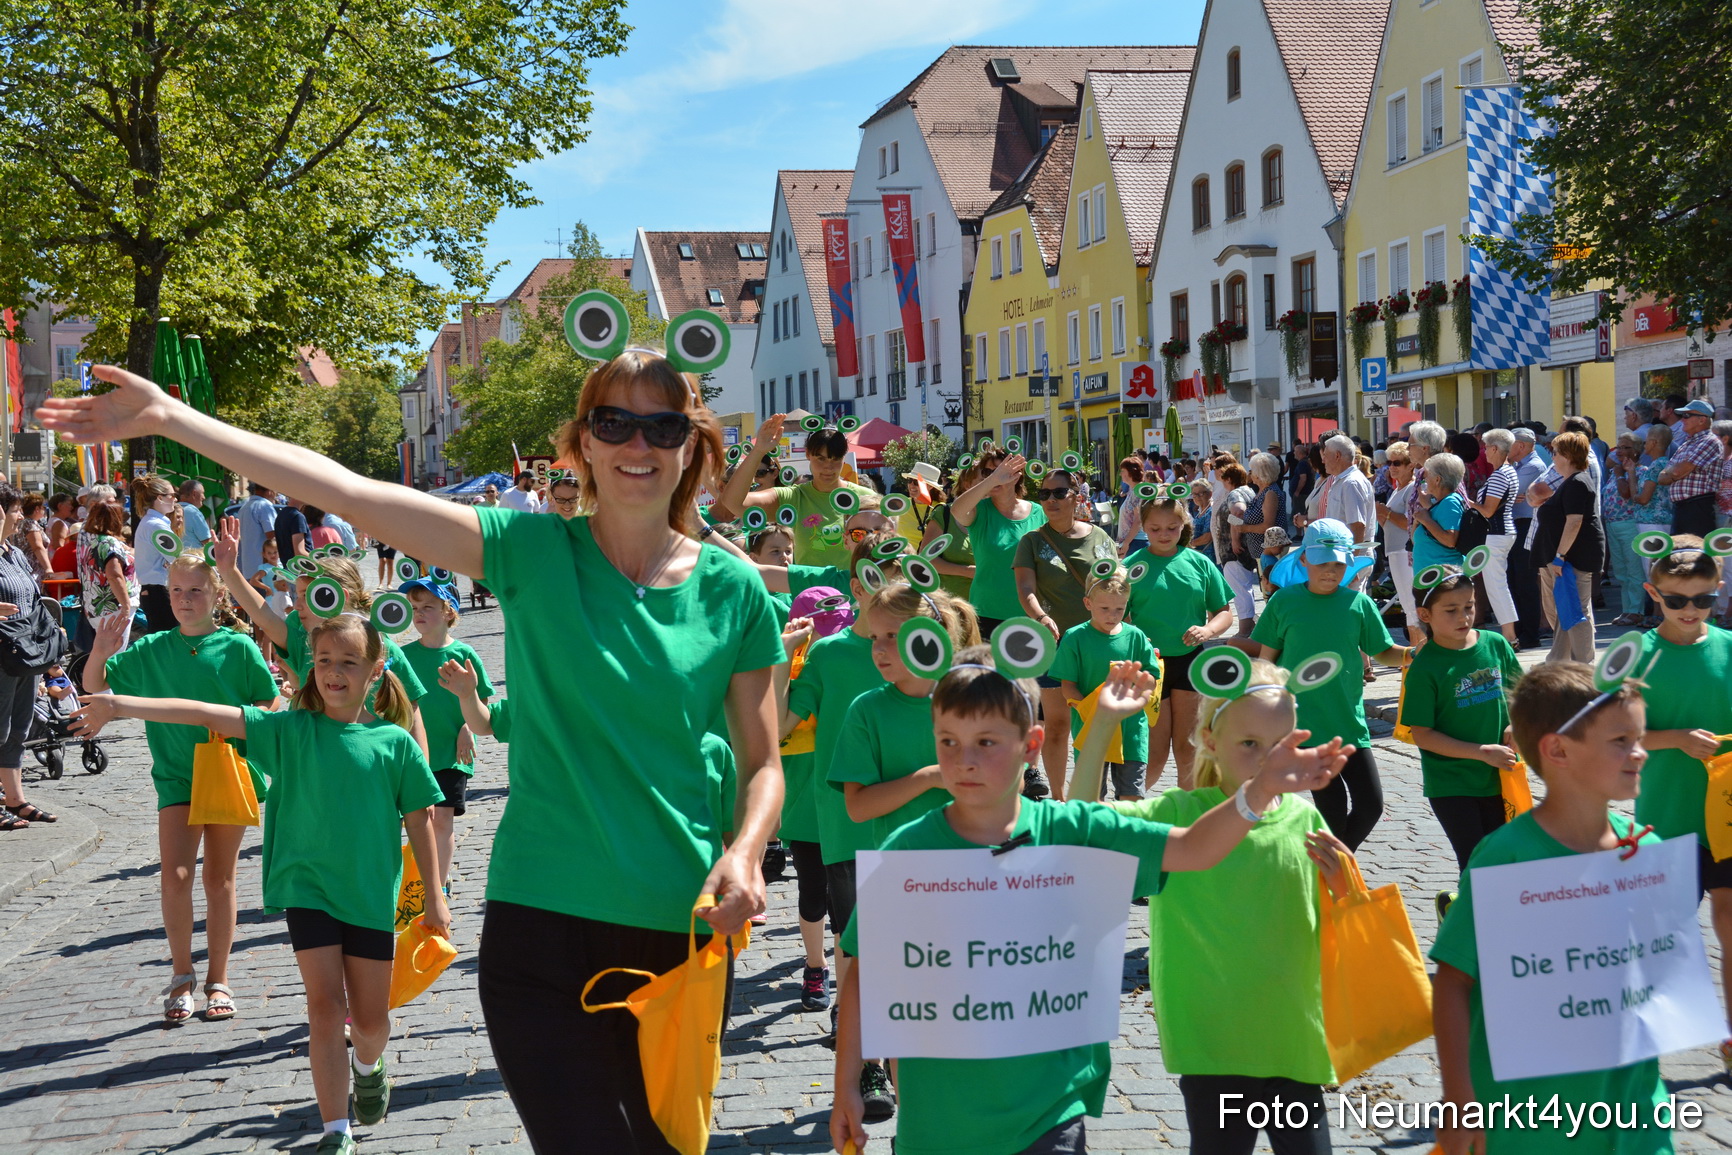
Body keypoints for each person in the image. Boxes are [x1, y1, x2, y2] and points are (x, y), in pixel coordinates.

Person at [44, 353, 786, 1155]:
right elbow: (349, 491)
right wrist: (172, 418)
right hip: (541, 925)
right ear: (583, 443)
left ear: (691, 445)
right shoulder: (532, 549)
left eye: (662, 426)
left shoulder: (733, 589)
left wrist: (747, 851)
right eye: (615, 422)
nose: (637, 444)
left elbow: (764, 763)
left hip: (678, 928)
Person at [829, 657, 1351, 1155]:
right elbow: (866, 971)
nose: (965, 759)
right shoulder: (906, 850)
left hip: (1051, 1113)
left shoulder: (1068, 830)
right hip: (938, 1121)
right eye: (948, 741)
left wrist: (1262, 790)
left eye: (986, 742)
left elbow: (1194, 848)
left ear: (1031, 745)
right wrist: (846, 1082)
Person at [72, 613, 448, 1155]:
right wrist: (119, 705)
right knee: (324, 1009)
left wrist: (435, 895)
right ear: (309, 668)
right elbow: (203, 712)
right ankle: (335, 1131)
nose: (333, 672)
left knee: (370, 1023)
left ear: (376, 669)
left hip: (369, 895)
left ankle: (369, 1066)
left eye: (348, 662)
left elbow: (421, 820)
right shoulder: (287, 730)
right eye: (324, 661)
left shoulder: (395, 743)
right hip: (306, 890)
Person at [1091, 658, 1359, 1155]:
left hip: (1294, 1038)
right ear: (1210, 741)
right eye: (1250, 744)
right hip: (1215, 1046)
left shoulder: (1304, 816)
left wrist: (1346, 888)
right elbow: (1081, 825)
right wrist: (1104, 722)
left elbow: (1329, 920)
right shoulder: (1178, 815)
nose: (1267, 760)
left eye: (1279, 744)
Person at [1431, 661, 1672, 1155]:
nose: (1640, 753)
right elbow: (1454, 982)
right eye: (1620, 741)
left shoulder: (1646, 850)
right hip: (1531, 1118)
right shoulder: (1507, 855)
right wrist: (1458, 1099)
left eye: (1639, 738)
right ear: (1558, 750)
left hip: (1635, 1111)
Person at [83, 554, 278, 1023]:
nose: (185, 600)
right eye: (176, 591)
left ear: (217, 595)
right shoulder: (153, 647)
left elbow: (268, 701)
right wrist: (100, 650)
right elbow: (96, 687)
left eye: (195, 591)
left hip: (228, 772)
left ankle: (219, 979)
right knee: (175, 876)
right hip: (175, 776)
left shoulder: (238, 646)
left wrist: (239, 725)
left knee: (219, 879)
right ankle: (181, 975)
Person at [829, 583, 981, 1121]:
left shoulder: (971, 702)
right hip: (899, 883)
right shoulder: (867, 710)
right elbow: (858, 807)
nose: (879, 649)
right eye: (874, 638)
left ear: (932, 636)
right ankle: (914, 1127)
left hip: (973, 882)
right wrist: (927, 778)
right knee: (908, 1019)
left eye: (892, 636)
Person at [784, 541, 906, 1047]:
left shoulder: (928, 648)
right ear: (858, 588)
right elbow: (779, 727)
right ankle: (852, 1019)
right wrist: (783, 656)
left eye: (906, 580)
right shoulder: (829, 654)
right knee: (851, 928)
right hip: (845, 815)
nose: (898, 592)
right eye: (885, 580)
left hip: (913, 813)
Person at [1633, 537, 1732, 1070]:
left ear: (1719, 591)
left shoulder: (1729, 648)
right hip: (1668, 815)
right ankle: (1643, 1044)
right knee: (1661, 936)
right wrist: (1674, 739)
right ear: (1654, 594)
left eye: (1703, 599)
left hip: (1728, 817)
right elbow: (1612, 733)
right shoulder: (1638, 654)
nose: (1691, 610)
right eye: (1677, 600)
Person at [1254, 519, 1411, 851]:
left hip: (1349, 723)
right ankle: (1331, 870)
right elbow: (1266, 663)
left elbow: (1383, 651)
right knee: (1333, 809)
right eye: (1322, 562)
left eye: (1338, 564)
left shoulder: (1359, 604)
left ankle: (1328, 863)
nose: (1330, 571)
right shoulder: (1283, 602)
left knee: (1371, 806)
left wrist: (1414, 654)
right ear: (1304, 560)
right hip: (1304, 725)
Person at [1399, 569, 1523, 890]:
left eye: (1469, 606)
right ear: (1425, 615)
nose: (1464, 617)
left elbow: (1522, 694)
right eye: (1451, 610)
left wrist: (1516, 723)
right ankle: (1466, 916)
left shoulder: (1495, 644)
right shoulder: (1425, 667)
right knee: (1475, 863)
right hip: (1452, 784)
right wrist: (1481, 752)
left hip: (1501, 776)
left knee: (1507, 859)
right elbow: (1423, 734)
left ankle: (1486, 915)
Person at [1013, 467, 1118, 798]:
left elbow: (1117, 587)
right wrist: (1041, 617)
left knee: (1094, 724)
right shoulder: (1031, 541)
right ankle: (1059, 799)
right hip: (1054, 644)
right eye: (1044, 494)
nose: (1051, 500)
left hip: (1096, 643)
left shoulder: (1100, 538)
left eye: (1059, 493)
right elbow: (1025, 589)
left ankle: (1092, 795)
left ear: (1076, 496)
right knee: (1057, 725)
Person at [1125, 494, 1234, 790]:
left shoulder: (1199, 563)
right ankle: (1130, 806)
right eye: (1155, 528)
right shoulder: (1131, 566)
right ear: (1143, 527)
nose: (1164, 535)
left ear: (1184, 524)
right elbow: (1115, 617)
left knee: (1188, 748)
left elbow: (1224, 612)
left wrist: (1208, 630)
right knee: (1154, 752)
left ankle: (1190, 810)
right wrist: (1132, 636)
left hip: (1190, 663)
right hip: (1149, 666)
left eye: (1172, 528)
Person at [398, 578, 492, 895]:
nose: (419, 613)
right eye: (414, 608)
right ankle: (425, 877)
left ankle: (438, 886)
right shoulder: (403, 656)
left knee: (442, 819)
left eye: (428, 607)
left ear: (448, 611)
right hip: (415, 753)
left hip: (453, 751)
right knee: (419, 819)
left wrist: (467, 729)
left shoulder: (464, 653)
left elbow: (482, 700)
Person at [713, 414, 875, 569]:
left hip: (855, 588)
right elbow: (733, 503)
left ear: (844, 457)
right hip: (806, 588)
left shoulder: (865, 498)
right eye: (821, 458)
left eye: (835, 459)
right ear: (808, 454)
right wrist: (759, 450)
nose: (828, 467)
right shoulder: (793, 497)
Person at [1051, 572, 1159, 801]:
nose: (1112, 615)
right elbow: (1068, 687)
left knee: (1132, 798)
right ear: (1088, 603)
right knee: (1090, 798)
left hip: (1131, 732)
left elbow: (1152, 681)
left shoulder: (1136, 636)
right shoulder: (1074, 637)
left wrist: (1134, 674)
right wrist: (1088, 710)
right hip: (1091, 731)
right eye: (1104, 609)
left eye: (1119, 609)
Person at [0, 483, 53, 834]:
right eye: (15, 510)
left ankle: (15, 798)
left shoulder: (14, 553)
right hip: (2, 653)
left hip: (26, 652)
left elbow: (33, 600)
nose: (21, 517)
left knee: (19, 727)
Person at [952, 447, 1046, 639]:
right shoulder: (980, 511)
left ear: (1017, 476)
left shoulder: (1039, 513)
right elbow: (956, 510)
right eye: (988, 472)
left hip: (1030, 613)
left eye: (1003, 471)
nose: (997, 476)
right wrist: (994, 479)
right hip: (986, 614)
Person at [1531, 431, 1604, 663]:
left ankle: (1582, 665)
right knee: (1566, 611)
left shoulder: (1577, 482)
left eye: (1555, 452)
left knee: (1575, 611)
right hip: (1566, 558)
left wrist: (1560, 556)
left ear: (1568, 456)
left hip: (1573, 558)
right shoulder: (1571, 482)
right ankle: (1559, 661)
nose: (1552, 457)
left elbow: (1574, 521)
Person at [1465, 429, 1520, 644]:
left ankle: (1510, 636)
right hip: (1501, 533)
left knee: (1497, 587)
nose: (1484, 451)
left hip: (1495, 534)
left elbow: (1488, 511)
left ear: (1495, 449)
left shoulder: (1500, 475)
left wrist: (1467, 502)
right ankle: (1510, 635)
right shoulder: (1507, 471)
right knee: (1497, 586)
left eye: (1486, 447)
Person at [1225, 452, 1288, 635]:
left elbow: (1268, 525)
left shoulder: (1270, 493)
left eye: (1252, 470)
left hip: (1270, 551)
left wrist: (1244, 528)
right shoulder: (1262, 491)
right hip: (1261, 552)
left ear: (1260, 474)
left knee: (1271, 592)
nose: (1250, 473)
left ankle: (1275, 634)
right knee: (1267, 591)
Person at [1376, 442, 1423, 644]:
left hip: (1405, 552)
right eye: (1389, 462)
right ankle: (1416, 649)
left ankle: (1418, 649)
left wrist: (1385, 512)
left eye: (1397, 463)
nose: (1392, 467)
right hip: (1395, 551)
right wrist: (1381, 515)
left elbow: (1409, 523)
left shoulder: (1412, 488)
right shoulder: (1398, 489)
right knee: (1406, 604)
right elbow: (1390, 523)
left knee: (1411, 605)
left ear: (1410, 465)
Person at [1505, 428, 1547, 648]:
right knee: (1514, 580)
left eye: (1509, 443)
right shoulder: (1518, 466)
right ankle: (1520, 631)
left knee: (1525, 581)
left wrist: (1510, 496)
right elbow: (1507, 494)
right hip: (1517, 525)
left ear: (1520, 446)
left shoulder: (1533, 466)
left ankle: (1530, 633)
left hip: (1527, 526)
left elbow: (1507, 491)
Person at [77, 500, 138, 648]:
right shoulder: (109, 543)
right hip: (114, 606)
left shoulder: (91, 542)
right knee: (115, 651)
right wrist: (125, 605)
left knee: (106, 651)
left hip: (97, 607)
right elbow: (114, 575)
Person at [1659, 397, 1723, 537]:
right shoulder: (1685, 444)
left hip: (1698, 508)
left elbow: (1677, 471)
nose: (1682, 419)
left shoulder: (1710, 441)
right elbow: (1661, 478)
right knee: (1680, 549)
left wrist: (1673, 473)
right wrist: (1675, 472)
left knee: (1696, 549)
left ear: (1702, 420)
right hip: (1681, 508)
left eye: (1687, 415)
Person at [1603, 432, 1648, 626]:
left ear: (1636, 451)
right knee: (1621, 571)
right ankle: (1627, 609)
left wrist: (1622, 474)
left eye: (1626, 447)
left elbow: (1626, 494)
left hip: (1629, 523)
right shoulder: (1616, 471)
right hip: (1612, 524)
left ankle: (1636, 610)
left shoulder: (1640, 471)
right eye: (1619, 447)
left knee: (1634, 569)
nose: (1620, 451)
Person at [133, 475, 187, 635]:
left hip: (155, 590)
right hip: (159, 590)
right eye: (172, 495)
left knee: (163, 638)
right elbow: (178, 558)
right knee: (168, 638)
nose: (175, 499)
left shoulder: (151, 522)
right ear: (160, 498)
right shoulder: (156, 525)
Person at [1322, 435, 1374, 589]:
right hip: (1342, 556)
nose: (1323, 460)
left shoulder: (1351, 483)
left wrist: (1351, 564)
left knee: (1351, 603)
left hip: (1350, 558)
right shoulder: (1343, 480)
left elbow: (1358, 526)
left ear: (1337, 456)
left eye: (1325, 455)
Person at [1411, 451, 1467, 573]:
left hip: (1444, 577)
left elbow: (1450, 540)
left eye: (1427, 476)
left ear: (1437, 479)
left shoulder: (1450, 502)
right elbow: (1417, 540)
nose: (1425, 480)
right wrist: (1418, 521)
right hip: (1431, 576)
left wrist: (1426, 520)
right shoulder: (1440, 503)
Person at [238, 482, 279, 580]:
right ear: (269, 491)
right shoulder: (264, 506)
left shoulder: (244, 507)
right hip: (265, 569)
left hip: (249, 567)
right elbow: (272, 536)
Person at [177, 479, 213, 547]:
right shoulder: (193, 512)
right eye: (202, 493)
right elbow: (207, 542)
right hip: (194, 553)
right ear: (194, 494)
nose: (204, 497)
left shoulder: (172, 510)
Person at [275, 495, 311, 561]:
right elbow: (299, 552)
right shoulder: (297, 516)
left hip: (287, 564)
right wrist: (320, 561)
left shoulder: (281, 514)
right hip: (300, 566)